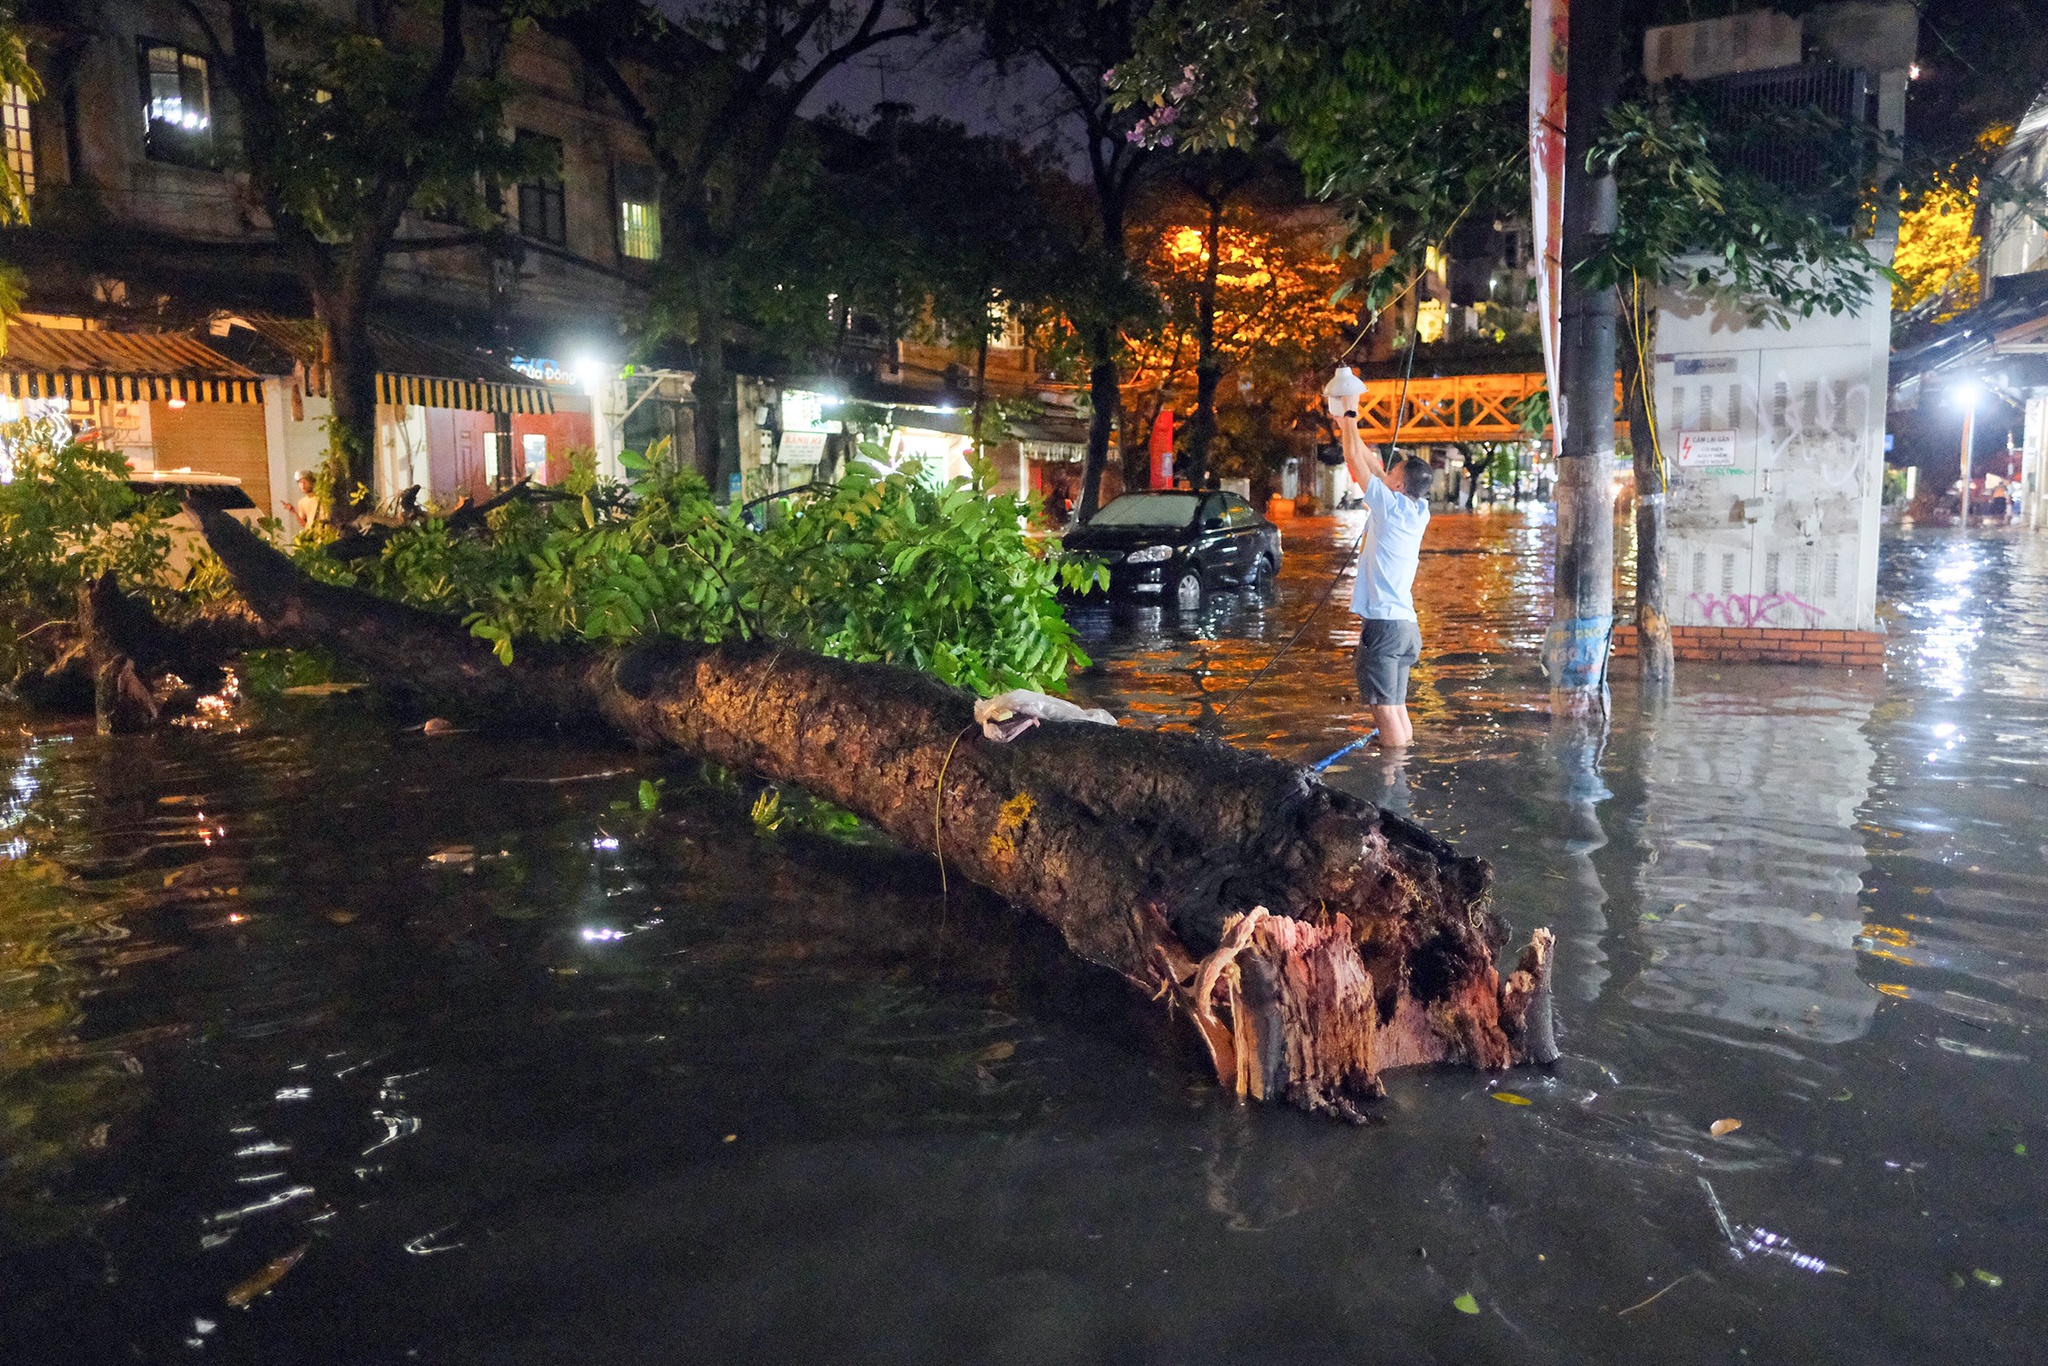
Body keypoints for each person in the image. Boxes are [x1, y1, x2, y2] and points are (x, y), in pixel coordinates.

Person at [1336, 410, 1432, 748]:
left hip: (1384, 627)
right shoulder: (1418, 511)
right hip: (1406, 628)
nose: (1385, 473)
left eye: (1392, 473)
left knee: (1384, 710)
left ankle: (1391, 774)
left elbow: (1354, 461)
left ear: (1399, 486)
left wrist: (1349, 416)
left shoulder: (1389, 508)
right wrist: (1346, 426)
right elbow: (1374, 470)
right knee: (1396, 706)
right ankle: (1402, 765)